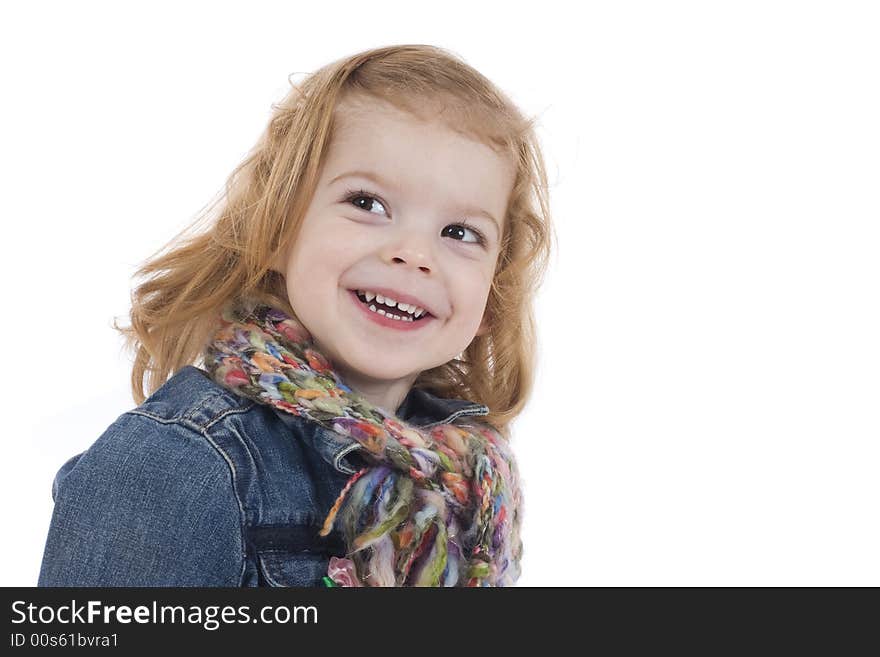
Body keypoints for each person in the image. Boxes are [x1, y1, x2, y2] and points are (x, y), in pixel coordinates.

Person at [37, 44, 554, 587]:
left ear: (493, 296)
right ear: (278, 231)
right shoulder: (175, 466)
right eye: (367, 203)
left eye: (460, 233)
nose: (415, 254)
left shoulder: (469, 484)